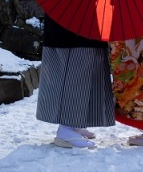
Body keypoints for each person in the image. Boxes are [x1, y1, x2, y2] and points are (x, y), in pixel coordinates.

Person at [35, 15, 116, 148]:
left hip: (85, 16)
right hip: (71, 21)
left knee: (90, 66)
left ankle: (76, 123)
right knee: (75, 72)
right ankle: (66, 128)